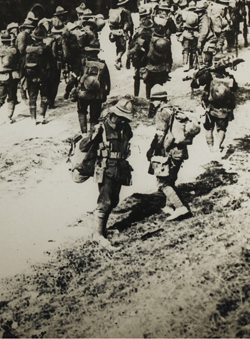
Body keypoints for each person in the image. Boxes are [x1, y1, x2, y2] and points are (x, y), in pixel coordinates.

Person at [79, 98, 134, 250]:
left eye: (125, 118)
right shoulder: (101, 128)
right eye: (121, 117)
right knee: (105, 201)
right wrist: (91, 136)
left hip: (120, 167)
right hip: (106, 168)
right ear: (113, 115)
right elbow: (83, 147)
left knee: (114, 200)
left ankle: (102, 229)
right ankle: (97, 235)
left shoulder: (125, 128)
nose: (123, 121)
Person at [146, 86, 199, 221]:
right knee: (171, 178)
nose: (152, 103)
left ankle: (180, 208)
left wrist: (152, 149)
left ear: (158, 100)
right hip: (180, 150)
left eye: (153, 100)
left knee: (162, 182)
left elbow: (160, 134)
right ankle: (168, 206)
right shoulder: (174, 109)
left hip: (170, 151)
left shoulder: (162, 113)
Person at [191, 55, 239, 153]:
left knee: (209, 128)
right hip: (225, 108)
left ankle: (210, 148)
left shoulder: (209, 75)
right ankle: (217, 146)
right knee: (222, 128)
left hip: (210, 106)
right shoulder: (229, 77)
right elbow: (235, 88)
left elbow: (195, 84)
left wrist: (195, 77)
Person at [73, 39, 110, 133]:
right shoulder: (103, 64)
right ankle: (92, 134)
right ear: (97, 52)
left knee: (82, 112)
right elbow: (107, 81)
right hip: (97, 94)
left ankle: (84, 133)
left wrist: (71, 89)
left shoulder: (82, 62)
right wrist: (106, 93)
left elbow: (74, 77)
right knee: (94, 117)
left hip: (83, 92)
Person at [24, 24, 55, 125]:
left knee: (32, 96)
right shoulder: (46, 49)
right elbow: (51, 64)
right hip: (43, 75)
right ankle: (42, 116)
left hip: (31, 76)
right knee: (44, 96)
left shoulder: (28, 48)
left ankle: (33, 118)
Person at [0, 30, 20, 126]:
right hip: (11, 76)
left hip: (1, 76)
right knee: (11, 98)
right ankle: (9, 118)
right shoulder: (14, 50)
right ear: (10, 40)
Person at [128, 7, 154, 97]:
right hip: (150, 58)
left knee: (137, 77)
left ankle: (136, 96)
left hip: (140, 58)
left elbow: (134, 46)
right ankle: (148, 97)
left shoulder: (140, 34)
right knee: (148, 80)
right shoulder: (152, 33)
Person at [107, 0, 134, 70]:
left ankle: (119, 62)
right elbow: (130, 23)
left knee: (118, 46)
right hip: (122, 32)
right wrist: (131, 33)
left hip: (114, 32)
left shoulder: (115, 11)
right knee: (123, 49)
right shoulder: (127, 12)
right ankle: (117, 59)